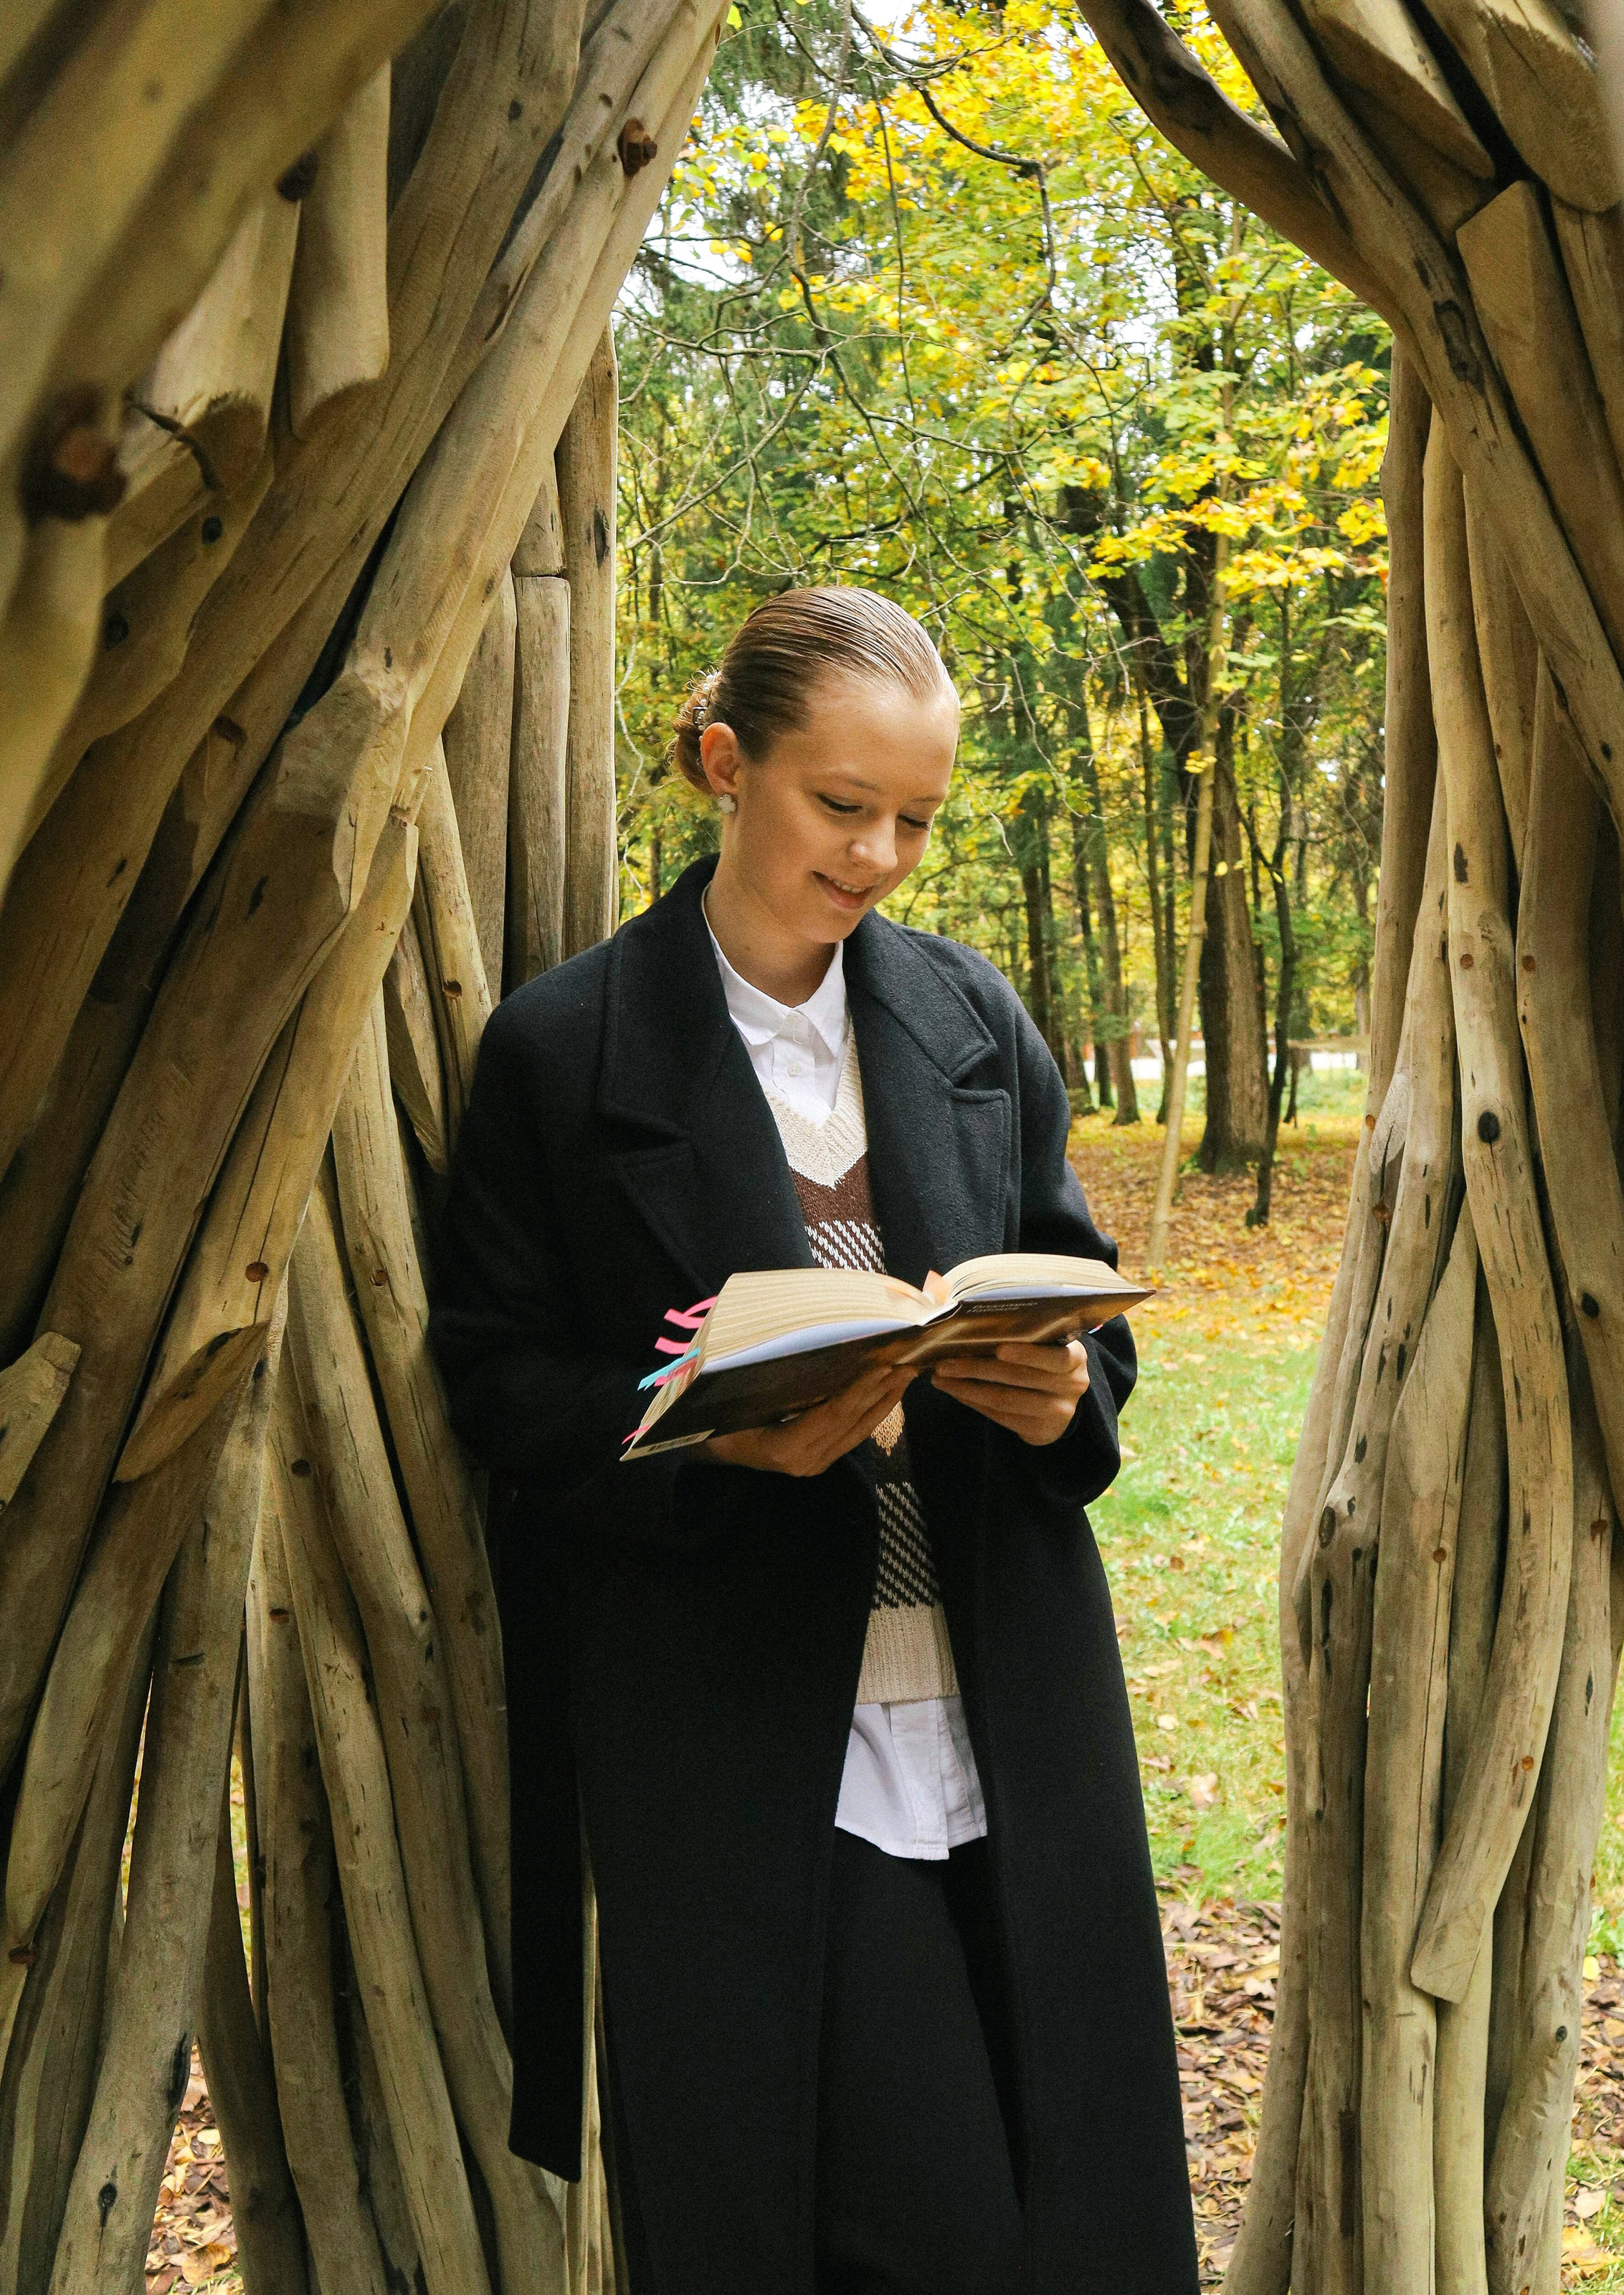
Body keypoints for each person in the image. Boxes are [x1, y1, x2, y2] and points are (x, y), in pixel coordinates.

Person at [431, 587, 1197, 2295]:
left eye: (913, 819)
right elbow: (498, 1381)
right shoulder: (564, 1050)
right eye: (841, 805)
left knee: (1074, 2210)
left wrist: (1068, 1392)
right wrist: (711, 1449)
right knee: (904, 2228)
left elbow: (1078, 1302)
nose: (878, 858)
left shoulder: (968, 1015)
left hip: (1011, 1704)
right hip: (754, 1726)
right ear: (725, 763)